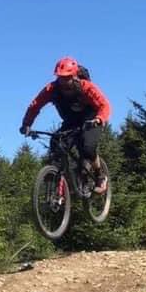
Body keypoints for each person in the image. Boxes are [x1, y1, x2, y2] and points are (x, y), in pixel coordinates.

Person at [19, 57, 111, 194]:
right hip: (71, 121)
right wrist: (26, 124)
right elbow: (35, 106)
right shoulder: (52, 89)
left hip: (91, 119)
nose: (63, 81)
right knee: (56, 142)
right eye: (61, 77)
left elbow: (104, 105)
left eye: (67, 77)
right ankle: (57, 181)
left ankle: (100, 176)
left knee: (88, 148)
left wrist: (99, 119)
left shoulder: (86, 87)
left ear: (74, 76)